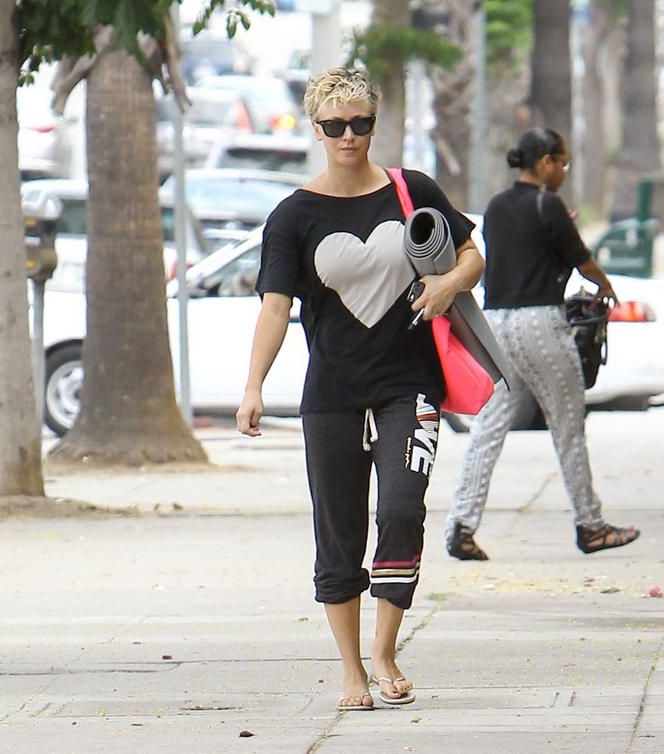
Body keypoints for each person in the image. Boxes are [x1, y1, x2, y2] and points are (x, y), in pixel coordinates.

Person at [236, 67, 483, 712]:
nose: (349, 135)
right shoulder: (293, 216)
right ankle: (350, 670)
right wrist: (253, 386)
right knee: (338, 528)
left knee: (402, 509)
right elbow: (274, 307)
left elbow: (472, 254)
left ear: (374, 123)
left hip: (410, 384)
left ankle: (384, 650)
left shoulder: (410, 190)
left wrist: (448, 285)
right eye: (335, 125)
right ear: (316, 129)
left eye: (361, 123)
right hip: (332, 393)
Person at [444, 128, 640, 562]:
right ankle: (590, 523)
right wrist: (606, 288)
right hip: (539, 322)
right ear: (546, 162)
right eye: (562, 163)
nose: (564, 171)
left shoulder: (497, 206)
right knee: (568, 424)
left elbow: (519, 255)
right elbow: (583, 262)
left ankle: (461, 524)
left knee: (489, 425)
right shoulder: (547, 205)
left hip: (497, 324)